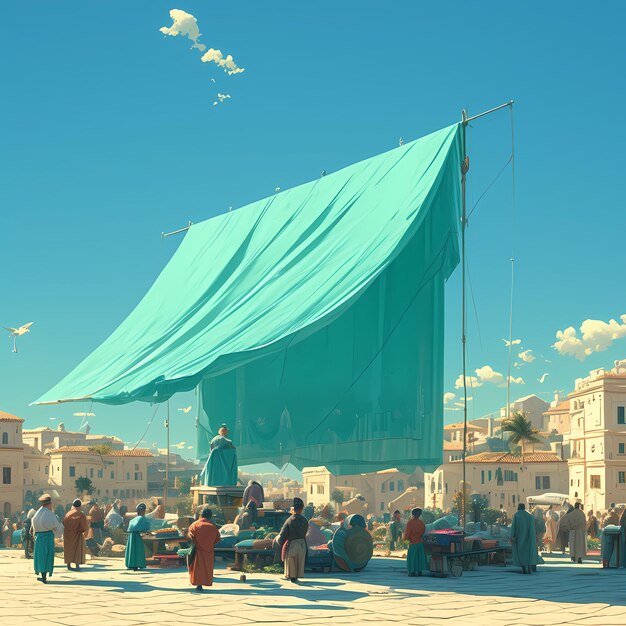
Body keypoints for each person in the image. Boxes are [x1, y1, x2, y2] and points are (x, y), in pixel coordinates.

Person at [31, 494, 64, 584]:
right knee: (48, 556)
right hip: (48, 537)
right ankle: (45, 577)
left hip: (39, 538)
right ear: (48, 504)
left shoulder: (37, 513)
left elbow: (33, 525)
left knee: (41, 556)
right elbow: (56, 526)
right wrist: (58, 533)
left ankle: (43, 576)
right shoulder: (49, 513)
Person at [187, 507, 221, 592]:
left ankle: (198, 585)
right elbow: (217, 539)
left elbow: (190, 536)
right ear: (210, 516)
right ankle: (205, 582)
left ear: (201, 515)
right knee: (206, 568)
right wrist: (208, 544)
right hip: (208, 552)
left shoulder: (195, 525)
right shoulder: (213, 527)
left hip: (197, 551)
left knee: (197, 568)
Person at [275, 497, 309, 582]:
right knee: (299, 562)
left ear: (293, 508)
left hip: (293, 544)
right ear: (302, 509)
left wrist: (279, 544)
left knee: (291, 561)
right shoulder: (305, 520)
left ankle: (292, 577)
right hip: (302, 544)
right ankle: (296, 576)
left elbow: (283, 535)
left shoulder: (289, 520)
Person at [510, 503, 539, 574]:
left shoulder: (516, 515)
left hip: (519, 538)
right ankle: (529, 567)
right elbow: (533, 529)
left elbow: (513, 527)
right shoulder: (530, 516)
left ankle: (523, 568)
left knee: (521, 553)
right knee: (528, 553)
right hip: (529, 538)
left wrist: (512, 536)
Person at [63, 499, 89, 571]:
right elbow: (84, 526)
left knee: (69, 549)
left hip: (68, 535)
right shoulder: (81, 514)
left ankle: (68, 564)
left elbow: (63, 523)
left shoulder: (68, 514)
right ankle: (77, 565)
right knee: (77, 550)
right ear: (80, 506)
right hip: (77, 534)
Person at [125, 503, 151, 571]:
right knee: (138, 550)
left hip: (131, 536)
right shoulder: (143, 519)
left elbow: (131, 528)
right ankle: (138, 564)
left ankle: (131, 564)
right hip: (137, 537)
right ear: (143, 511)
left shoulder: (133, 519)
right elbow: (146, 528)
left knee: (132, 550)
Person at [403, 508, 427, 577]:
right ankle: (419, 571)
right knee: (419, 558)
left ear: (412, 514)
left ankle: (412, 572)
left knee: (412, 558)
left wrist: (405, 539)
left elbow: (407, 534)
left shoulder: (410, 523)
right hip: (420, 542)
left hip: (413, 543)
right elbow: (423, 532)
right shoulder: (421, 523)